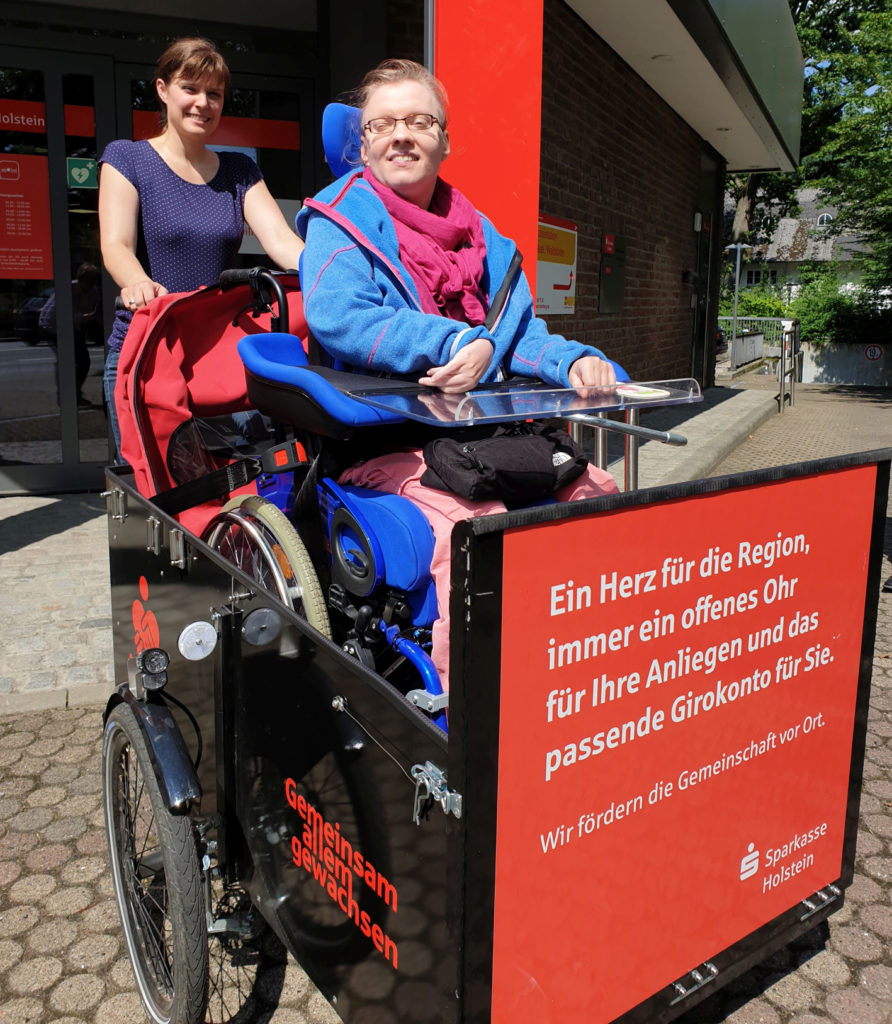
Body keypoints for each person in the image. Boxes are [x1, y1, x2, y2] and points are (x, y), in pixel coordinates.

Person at [298, 59, 620, 686]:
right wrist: (451, 340)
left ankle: (586, 676)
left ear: (445, 140)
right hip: (384, 438)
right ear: (361, 143)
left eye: (419, 122)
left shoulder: (485, 237)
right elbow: (339, 318)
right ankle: (472, 710)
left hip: (481, 436)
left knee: (597, 496)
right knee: (482, 539)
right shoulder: (339, 219)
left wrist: (575, 360)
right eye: (383, 124)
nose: (401, 136)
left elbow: (522, 336)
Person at [98, 36, 305, 454]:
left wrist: (331, 271)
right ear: (162, 90)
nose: (203, 103)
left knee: (241, 486)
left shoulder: (238, 170)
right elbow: (116, 244)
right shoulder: (128, 159)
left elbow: (282, 241)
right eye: (190, 88)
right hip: (148, 351)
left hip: (219, 356)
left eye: (214, 94)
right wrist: (137, 283)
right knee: (157, 497)